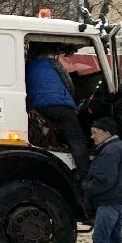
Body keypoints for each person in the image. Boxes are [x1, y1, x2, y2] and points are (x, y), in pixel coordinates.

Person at [26, 44, 90, 173]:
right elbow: (68, 83)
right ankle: (84, 171)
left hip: (39, 107)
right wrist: (72, 100)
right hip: (61, 105)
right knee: (76, 140)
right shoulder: (52, 63)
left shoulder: (27, 66)